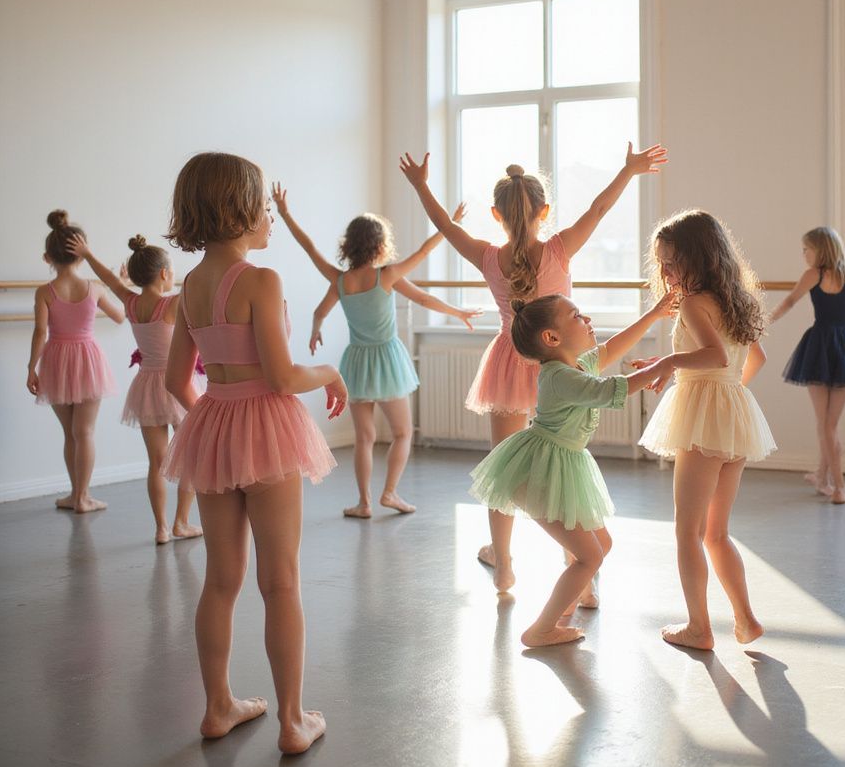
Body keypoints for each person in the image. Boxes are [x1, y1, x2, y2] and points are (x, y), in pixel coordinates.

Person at [400, 142, 668, 592]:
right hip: (561, 357)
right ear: (544, 210)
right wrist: (629, 170)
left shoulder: (488, 257)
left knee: (504, 468)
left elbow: (445, 226)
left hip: (510, 357)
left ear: (495, 213)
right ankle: (580, 570)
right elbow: (599, 209)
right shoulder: (559, 249)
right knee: (568, 460)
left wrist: (422, 186)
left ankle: (503, 564)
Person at [161, 152, 347, 755]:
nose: (269, 218)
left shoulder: (189, 286)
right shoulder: (261, 282)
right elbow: (284, 376)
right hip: (266, 429)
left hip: (214, 423)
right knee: (281, 581)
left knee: (221, 580)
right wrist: (332, 372)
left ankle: (217, 707)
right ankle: (292, 722)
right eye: (264, 208)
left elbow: (174, 381)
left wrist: (215, 427)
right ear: (238, 210)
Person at [469, 293, 676, 647]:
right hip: (542, 470)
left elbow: (614, 348)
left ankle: (563, 607)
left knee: (601, 544)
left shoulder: (578, 365)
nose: (587, 319)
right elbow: (608, 390)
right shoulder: (559, 376)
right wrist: (663, 366)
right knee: (590, 554)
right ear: (552, 338)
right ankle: (541, 629)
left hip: (565, 463)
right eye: (577, 316)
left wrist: (654, 315)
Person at [271, 183, 480, 517]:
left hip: (355, 362)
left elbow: (311, 257)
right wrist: (451, 225)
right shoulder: (388, 275)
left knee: (364, 438)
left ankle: (364, 502)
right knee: (401, 433)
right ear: (381, 245)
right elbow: (425, 265)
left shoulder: (340, 281)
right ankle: (390, 493)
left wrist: (315, 330)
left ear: (349, 246)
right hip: (387, 360)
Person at [638, 210, 775, 650]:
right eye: (660, 262)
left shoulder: (696, 304)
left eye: (672, 262)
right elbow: (753, 361)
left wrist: (670, 363)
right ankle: (746, 620)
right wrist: (725, 397)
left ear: (698, 258)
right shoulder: (735, 299)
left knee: (687, 532)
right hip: (732, 419)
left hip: (705, 423)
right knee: (716, 533)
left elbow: (715, 356)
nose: (665, 271)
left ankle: (699, 628)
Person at [68, 232, 205, 543]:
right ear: (165, 274)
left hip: (146, 386)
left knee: (156, 463)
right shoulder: (173, 304)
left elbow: (108, 279)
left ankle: (161, 529)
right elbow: (202, 287)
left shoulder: (131, 302)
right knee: (191, 458)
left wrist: (88, 253)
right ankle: (182, 522)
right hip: (177, 384)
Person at [28, 210, 123, 513]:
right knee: (86, 433)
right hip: (88, 359)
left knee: (70, 434)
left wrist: (31, 368)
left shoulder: (45, 291)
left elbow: (41, 332)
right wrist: (117, 283)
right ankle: (83, 497)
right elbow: (121, 317)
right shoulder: (93, 289)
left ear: (47, 258)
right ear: (80, 256)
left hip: (56, 360)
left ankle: (75, 495)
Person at [771, 226, 845, 505]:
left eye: (807, 249)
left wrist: (767, 321)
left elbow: (790, 301)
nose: (804, 254)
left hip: (819, 347)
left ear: (820, 249)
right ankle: (822, 477)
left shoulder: (814, 275)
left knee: (826, 425)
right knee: (830, 424)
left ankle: (839, 488)